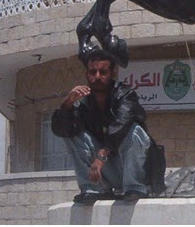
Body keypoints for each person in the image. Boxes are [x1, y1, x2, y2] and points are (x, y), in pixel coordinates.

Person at [52, 48, 160, 203]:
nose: (97, 77)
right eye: (93, 72)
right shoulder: (83, 102)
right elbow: (60, 130)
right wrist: (67, 104)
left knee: (136, 131)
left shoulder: (125, 95)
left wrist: (101, 155)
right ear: (86, 74)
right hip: (106, 171)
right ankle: (93, 188)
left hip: (132, 170)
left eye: (103, 72)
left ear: (112, 74)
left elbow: (121, 123)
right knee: (72, 134)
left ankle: (134, 188)